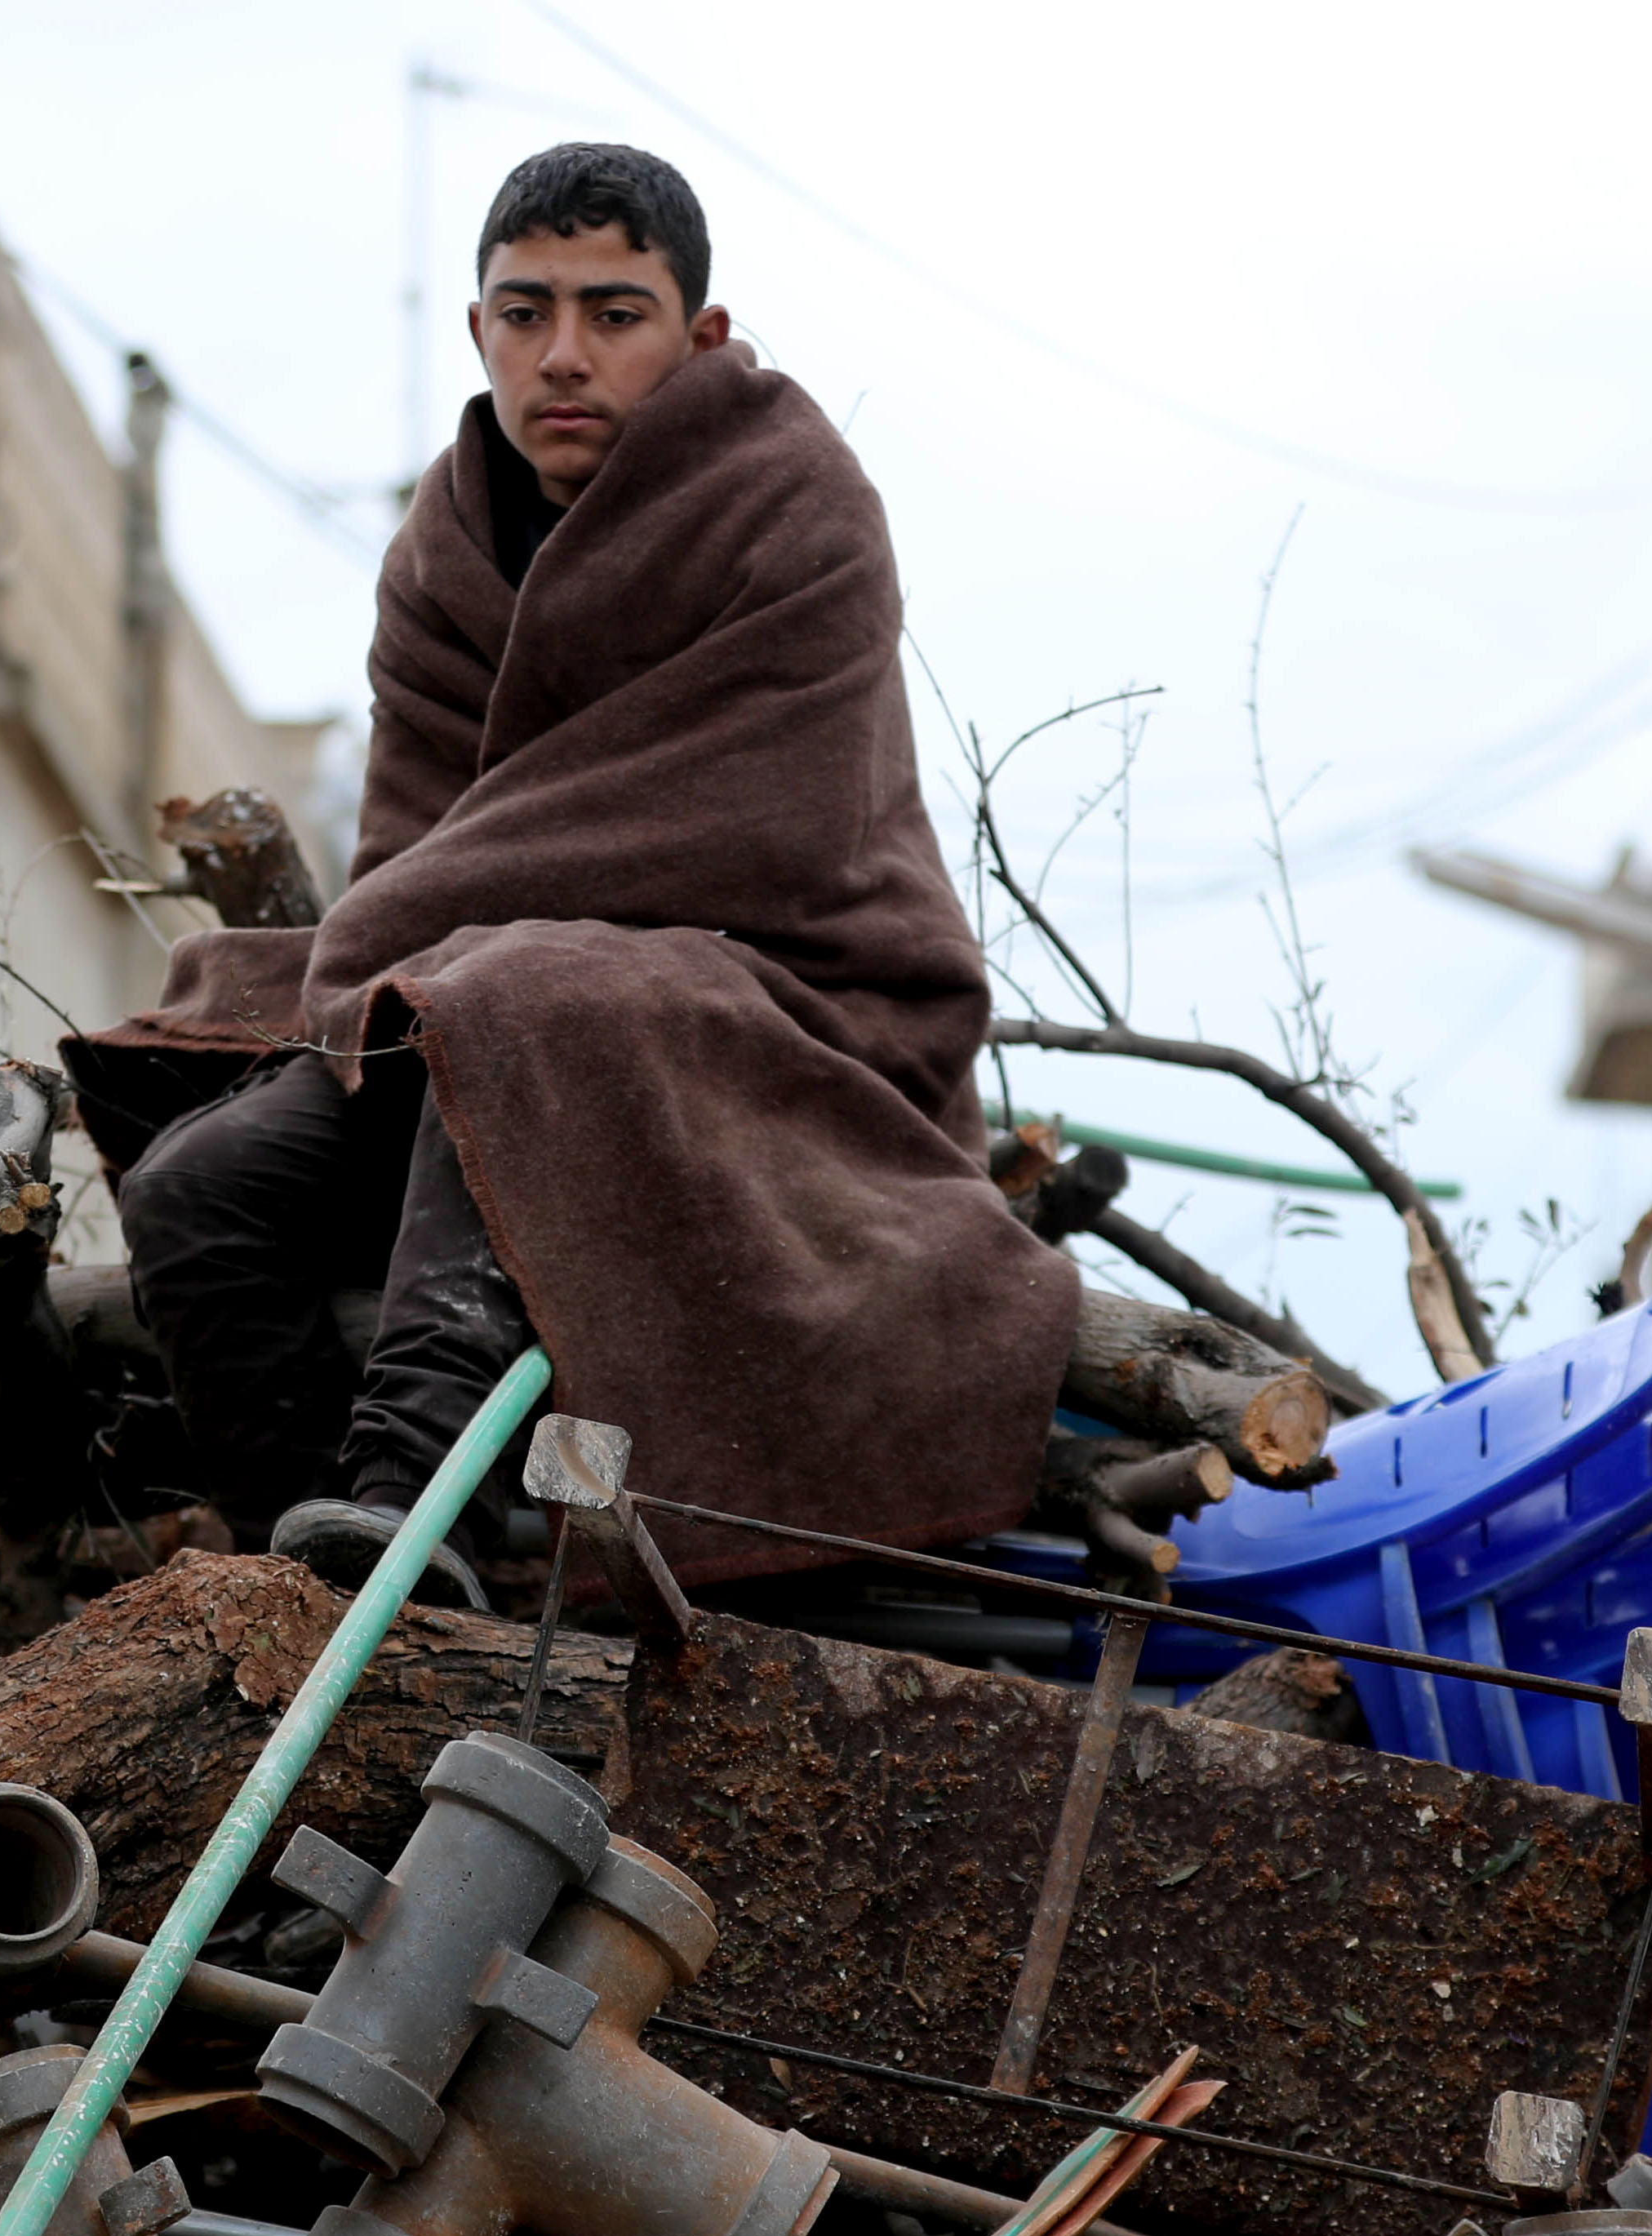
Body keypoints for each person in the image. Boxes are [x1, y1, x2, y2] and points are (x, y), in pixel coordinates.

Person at [66, 143, 1077, 1603]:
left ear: (700, 336)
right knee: (197, 1183)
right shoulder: (446, 545)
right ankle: (287, 1594)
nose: (564, 355)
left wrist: (430, 936)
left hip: (801, 1006)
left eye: (615, 314)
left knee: (524, 999)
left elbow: (760, 825)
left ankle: (409, 1548)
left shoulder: (796, 506)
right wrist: (415, 946)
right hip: (489, 1000)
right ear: (475, 329)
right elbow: (420, 833)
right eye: (525, 311)